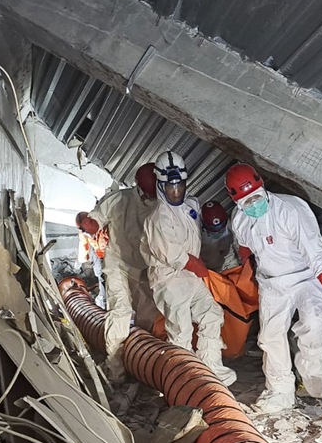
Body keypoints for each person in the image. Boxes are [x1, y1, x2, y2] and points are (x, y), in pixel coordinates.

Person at [226, 163, 322, 413]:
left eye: (257, 198)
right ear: (237, 202)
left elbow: (315, 252)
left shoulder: (291, 209)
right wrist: (244, 273)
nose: (253, 206)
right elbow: (245, 249)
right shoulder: (240, 220)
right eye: (246, 203)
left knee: (315, 323)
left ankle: (311, 364)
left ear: (262, 187)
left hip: (306, 276)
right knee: (270, 337)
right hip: (272, 283)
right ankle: (280, 392)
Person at [142, 151, 237, 386]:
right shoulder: (157, 219)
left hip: (191, 276)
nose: (177, 192)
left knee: (212, 315)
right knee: (181, 330)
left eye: (180, 186)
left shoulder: (191, 205)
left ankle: (210, 367)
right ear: (160, 186)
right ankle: (182, 381)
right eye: (171, 187)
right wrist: (200, 267)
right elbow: (175, 257)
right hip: (169, 280)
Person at [84, 163, 160, 378]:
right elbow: (95, 220)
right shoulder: (119, 199)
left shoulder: (163, 204)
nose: (151, 199)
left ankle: (141, 363)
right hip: (118, 264)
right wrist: (91, 225)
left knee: (148, 317)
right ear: (139, 189)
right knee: (120, 312)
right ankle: (115, 369)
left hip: (146, 269)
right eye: (148, 195)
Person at [76, 211, 107, 307]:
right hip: (98, 255)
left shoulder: (104, 225)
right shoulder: (84, 233)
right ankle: (104, 304)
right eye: (82, 229)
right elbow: (84, 244)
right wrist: (81, 259)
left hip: (110, 255)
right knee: (102, 278)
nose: (85, 231)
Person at [200, 201, 241, 272]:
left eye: (221, 229)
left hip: (231, 264)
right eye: (215, 231)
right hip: (212, 271)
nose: (219, 233)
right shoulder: (198, 234)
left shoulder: (231, 224)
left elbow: (238, 244)